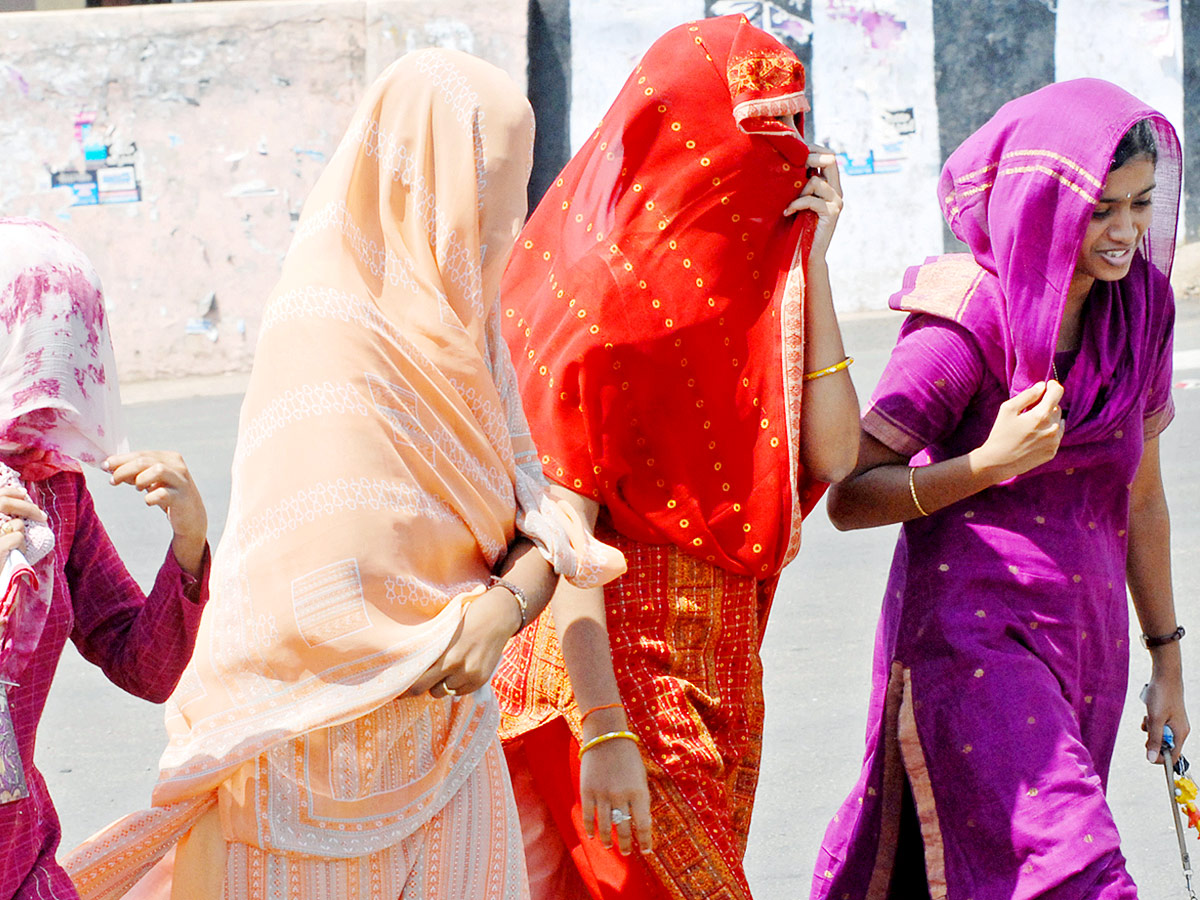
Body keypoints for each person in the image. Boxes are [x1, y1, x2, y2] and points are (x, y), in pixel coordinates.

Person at [64, 49, 623, 900]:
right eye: (495, 187)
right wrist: (441, 627)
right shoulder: (329, 337)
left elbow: (544, 520)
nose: (514, 213)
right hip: (302, 771)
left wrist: (502, 610)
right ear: (427, 184)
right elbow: (307, 593)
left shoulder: (469, 339)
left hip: (450, 753)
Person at [493, 15, 860, 900]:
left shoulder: (753, 281)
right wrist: (608, 731)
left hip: (728, 669)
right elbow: (564, 536)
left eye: (796, 130)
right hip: (616, 678)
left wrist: (811, 261)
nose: (786, 158)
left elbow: (838, 449)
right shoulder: (600, 297)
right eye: (761, 134)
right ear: (691, 136)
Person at [811, 79, 1183, 899]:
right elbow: (850, 494)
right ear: (1046, 203)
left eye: (1141, 205)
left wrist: (1169, 663)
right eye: (1100, 212)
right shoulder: (971, 318)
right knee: (1074, 871)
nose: (1125, 233)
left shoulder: (1143, 308)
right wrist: (986, 464)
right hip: (971, 650)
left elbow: (1142, 497)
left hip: (1087, 646)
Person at [0, 217, 210, 899]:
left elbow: (141, 666)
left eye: (73, 344)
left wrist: (188, 541)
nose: (56, 377)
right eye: (39, 344)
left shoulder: (55, 491)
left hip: (21, 855)